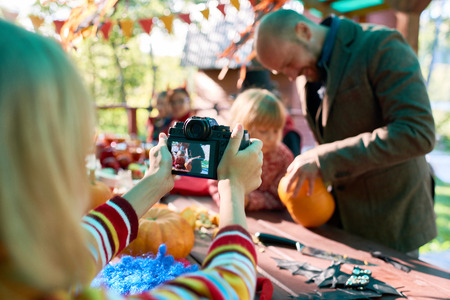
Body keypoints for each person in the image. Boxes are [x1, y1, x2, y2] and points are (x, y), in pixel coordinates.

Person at [0, 19, 265, 299]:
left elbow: (80, 245)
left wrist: (154, 183)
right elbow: (229, 286)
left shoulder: (21, 270)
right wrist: (233, 189)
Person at [254, 9, 437, 255]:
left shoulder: (382, 45)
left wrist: (322, 158)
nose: (291, 75)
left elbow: (417, 132)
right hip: (340, 223)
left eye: (288, 64)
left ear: (304, 31)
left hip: (391, 222)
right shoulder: (306, 71)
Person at [209, 88, 294, 211]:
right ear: (242, 127)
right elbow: (214, 183)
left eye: (276, 131)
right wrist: (226, 200)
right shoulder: (228, 151)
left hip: (269, 220)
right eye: (263, 131)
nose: (271, 138)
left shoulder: (283, 158)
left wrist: (249, 200)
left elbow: (281, 198)